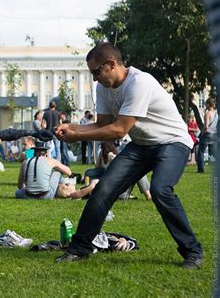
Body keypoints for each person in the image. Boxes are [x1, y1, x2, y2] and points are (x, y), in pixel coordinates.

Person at [54, 42, 203, 269]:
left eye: (96, 72)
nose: (94, 78)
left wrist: (77, 136)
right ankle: (79, 249)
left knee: (160, 190)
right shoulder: (103, 88)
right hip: (142, 145)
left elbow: (119, 129)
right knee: (103, 189)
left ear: (111, 64)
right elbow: (102, 123)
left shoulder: (139, 82)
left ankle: (192, 252)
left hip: (173, 142)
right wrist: (71, 127)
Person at [197, 98, 217, 173]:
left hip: (207, 134)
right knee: (212, 153)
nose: (205, 105)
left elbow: (206, 126)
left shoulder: (208, 114)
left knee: (201, 151)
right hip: (214, 135)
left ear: (208, 104)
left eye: (206, 104)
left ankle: (200, 169)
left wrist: (202, 133)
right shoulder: (216, 113)